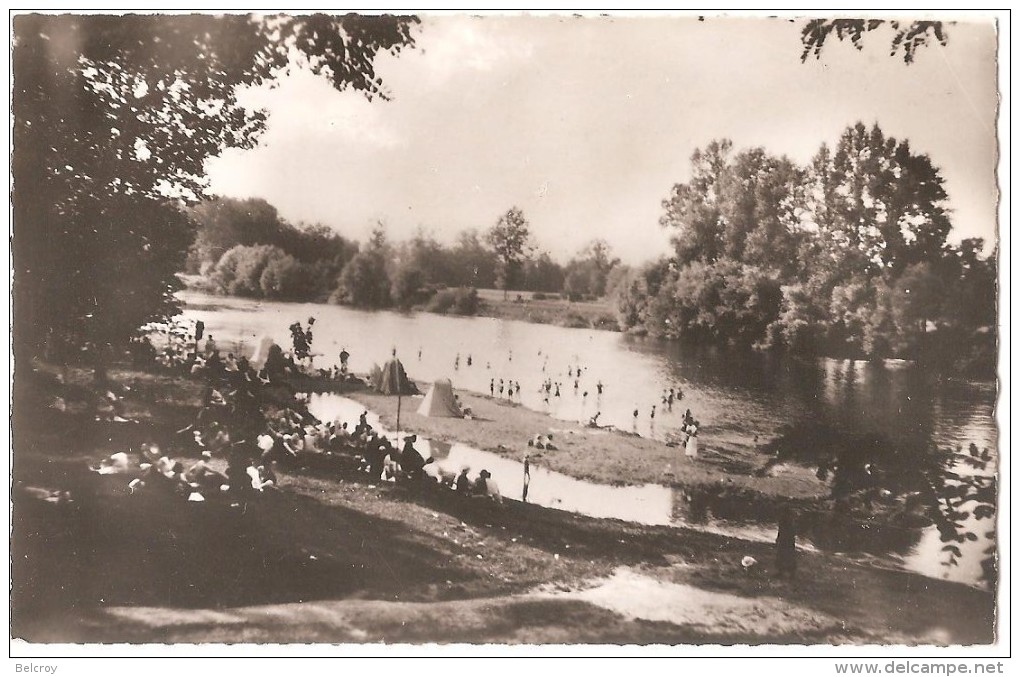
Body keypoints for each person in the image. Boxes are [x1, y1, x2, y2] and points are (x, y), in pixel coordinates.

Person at [775, 507, 797, 580]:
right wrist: (778, 538)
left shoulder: (790, 520)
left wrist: (784, 538)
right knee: (781, 555)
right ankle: (781, 572)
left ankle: (792, 574)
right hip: (783, 539)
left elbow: (792, 531)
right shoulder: (782, 519)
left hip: (788, 540)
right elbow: (780, 530)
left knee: (789, 556)